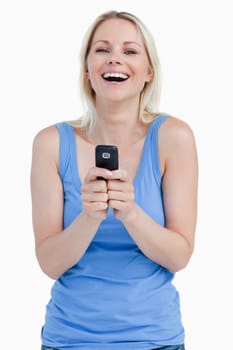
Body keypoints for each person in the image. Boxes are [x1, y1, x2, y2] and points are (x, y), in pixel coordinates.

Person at [30, 10, 198, 350]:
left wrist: (131, 213)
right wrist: (89, 217)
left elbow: (179, 256)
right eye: (102, 49)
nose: (115, 60)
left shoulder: (173, 137)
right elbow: (49, 263)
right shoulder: (50, 143)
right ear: (87, 69)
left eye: (130, 51)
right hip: (68, 340)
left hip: (154, 340)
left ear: (149, 72)